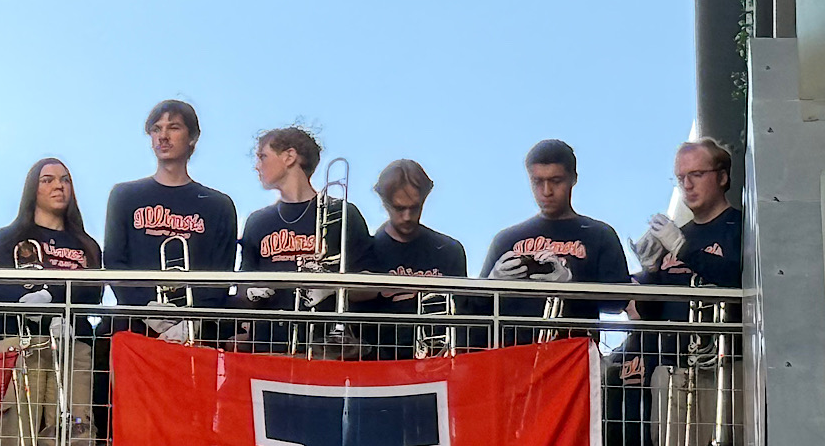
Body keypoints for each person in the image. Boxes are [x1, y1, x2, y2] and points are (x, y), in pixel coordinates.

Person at [624, 139, 745, 446]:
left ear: (722, 177)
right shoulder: (680, 235)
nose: (687, 186)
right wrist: (650, 272)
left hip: (727, 370)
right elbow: (651, 313)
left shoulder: (740, 226)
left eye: (696, 174)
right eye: (680, 178)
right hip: (674, 373)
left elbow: (738, 278)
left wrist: (684, 248)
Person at [0, 158, 104, 446]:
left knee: (73, 440)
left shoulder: (86, 244)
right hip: (22, 343)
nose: (58, 186)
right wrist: (33, 302)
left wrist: (56, 301)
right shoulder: (9, 237)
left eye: (65, 179)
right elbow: (3, 290)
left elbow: (94, 293)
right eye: (48, 179)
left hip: (73, 346)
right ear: (32, 189)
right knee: (18, 443)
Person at [102, 98, 238, 340]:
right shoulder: (124, 195)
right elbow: (114, 262)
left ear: (193, 137)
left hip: (198, 335)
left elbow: (220, 276)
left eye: (173, 127)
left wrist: (192, 321)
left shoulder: (218, 205)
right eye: (156, 129)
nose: (163, 136)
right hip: (135, 328)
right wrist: (146, 309)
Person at [239, 125, 374, 353]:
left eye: (263, 156)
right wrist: (252, 291)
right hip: (267, 347)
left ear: (289, 157)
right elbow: (241, 289)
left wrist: (332, 287)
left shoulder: (342, 213)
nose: (257, 165)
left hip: (327, 350)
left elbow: (371, 286)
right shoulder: (257, 221)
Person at [481, 138, 629, 341]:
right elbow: (474, 308)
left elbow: (618, 302)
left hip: (574, 353)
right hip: (514, 352)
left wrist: (570, 284)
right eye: (537, 182)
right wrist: (492, 283)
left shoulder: (599, 234)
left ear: (573, 178)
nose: (546, 191)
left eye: (556, 181)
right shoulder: (506, 239)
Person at [367, 158, 470, 359]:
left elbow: (463, 312)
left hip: (439, 362)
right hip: (381, 363)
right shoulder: (369, 250)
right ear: (384, 203)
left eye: (414, 208)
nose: (407, 217)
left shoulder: (449, 250)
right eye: (399, 208)